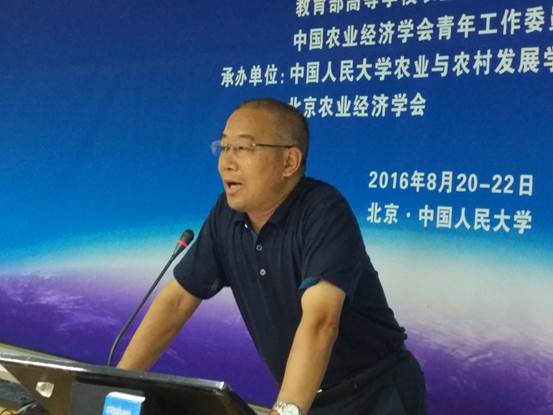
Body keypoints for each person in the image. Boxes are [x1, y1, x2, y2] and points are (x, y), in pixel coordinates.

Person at [117, 98, 426, 415]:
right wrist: (117, 385)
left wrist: (285, 411)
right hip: (309, 397)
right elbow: (177, 301)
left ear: (289, 161)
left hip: (374, 394)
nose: (226, 163)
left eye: (243, 148)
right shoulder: (227, 216)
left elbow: (320, 323)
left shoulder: (322, 211)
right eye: (223, 148)